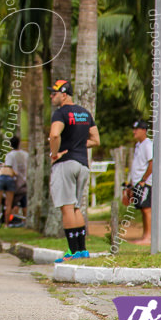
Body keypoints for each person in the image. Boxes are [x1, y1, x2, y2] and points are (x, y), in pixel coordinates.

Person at [48, 79, 100, 262]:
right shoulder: (85, 113)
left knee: (67, 207)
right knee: (76, 207)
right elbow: (96, 140)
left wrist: (55, 153)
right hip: (82, 164)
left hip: (66, 164)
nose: (51, 96)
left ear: (63, 95)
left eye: (54, 93)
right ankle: (81, 250)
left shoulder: (60, 113)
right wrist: (77, 144)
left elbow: (54, 134)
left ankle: (71, 252)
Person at [126, 120, 153, 245]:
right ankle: (144, 236)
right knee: (142, 209)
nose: (134, 132)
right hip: (138, 183)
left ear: (144, 130)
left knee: (147, 209)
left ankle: (148, 237)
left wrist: (143, 180)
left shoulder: (148, 145)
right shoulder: (138, 145)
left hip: (145, 183)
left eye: (137, 129)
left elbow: (152, 163)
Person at [0, 136, 27, 229]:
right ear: (19, 143)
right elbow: (14, 172)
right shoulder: (25, 154)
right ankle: (7, 224)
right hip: (14, 180)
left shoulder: (10, 155)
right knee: (9, 204)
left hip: (1, 178)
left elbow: (6, 168)